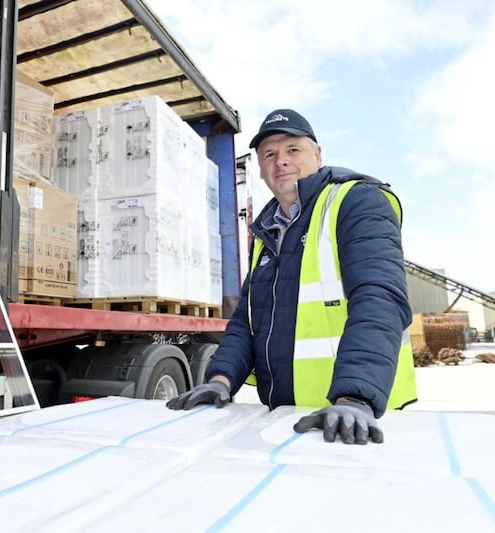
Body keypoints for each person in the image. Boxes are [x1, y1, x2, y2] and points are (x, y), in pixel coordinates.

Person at [166, 109, 417, 445]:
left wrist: (356, 398)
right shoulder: (267, 231)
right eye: (269, 154)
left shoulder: (356, 201)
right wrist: (220, 380)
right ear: (260, 168)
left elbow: (379, 297)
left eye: (292, 150)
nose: (280, 161)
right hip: (285, 419)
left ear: (318, 154)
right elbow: (247, 320)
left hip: (355, 421)